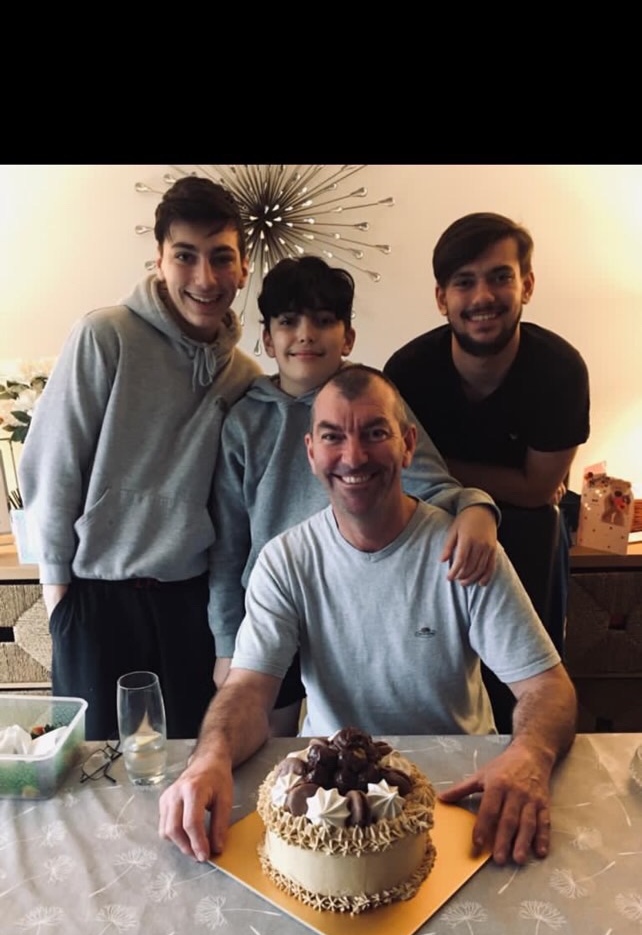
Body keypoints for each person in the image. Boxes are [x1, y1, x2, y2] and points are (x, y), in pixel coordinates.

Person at [159, 366, 577, 869]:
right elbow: (247, 690)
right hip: (333, 797)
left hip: (456, 790)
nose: (353, 456)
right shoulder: (285, 561)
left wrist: (529, 755)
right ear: (311, 452)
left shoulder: (463, 549)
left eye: (375, 433)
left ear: (408, 444)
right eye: (333, 437)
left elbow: (549, 688)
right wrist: (209, 758)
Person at [209, 255, 501, 735]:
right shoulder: (245, 421)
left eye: (323, 321)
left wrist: (476, 506)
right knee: (267, 745)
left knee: (349, 730)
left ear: (347, 338)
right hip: (273, 606)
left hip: (348, 602)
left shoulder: (376, 404)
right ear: (267, 339)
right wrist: (227, 643)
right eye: (289, 322)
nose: (306, 335)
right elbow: (228, 546)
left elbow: (433, 485)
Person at [19, 177, 262, 740]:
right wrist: (59, 599)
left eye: (221, 257)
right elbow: (53, 466)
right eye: (185, 256)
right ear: (159, 259)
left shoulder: (244, 378)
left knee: (191, 763)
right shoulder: (105, 336)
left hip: (189, 603)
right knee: (93, 768)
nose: (204, 278)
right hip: (96, 597)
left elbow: (230, 511)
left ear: (243, 268)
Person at [384, 212, 590, 664]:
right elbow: (398, 476)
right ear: (441, 298)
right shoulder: (407, 373)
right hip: (434, 524)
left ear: (527, 285)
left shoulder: (561, 371)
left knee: (545, 523)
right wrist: (502, 485)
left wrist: (434, 466)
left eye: (500, 277)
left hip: (530, 528)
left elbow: (537, 491)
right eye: (464, 282)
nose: (483, 297)